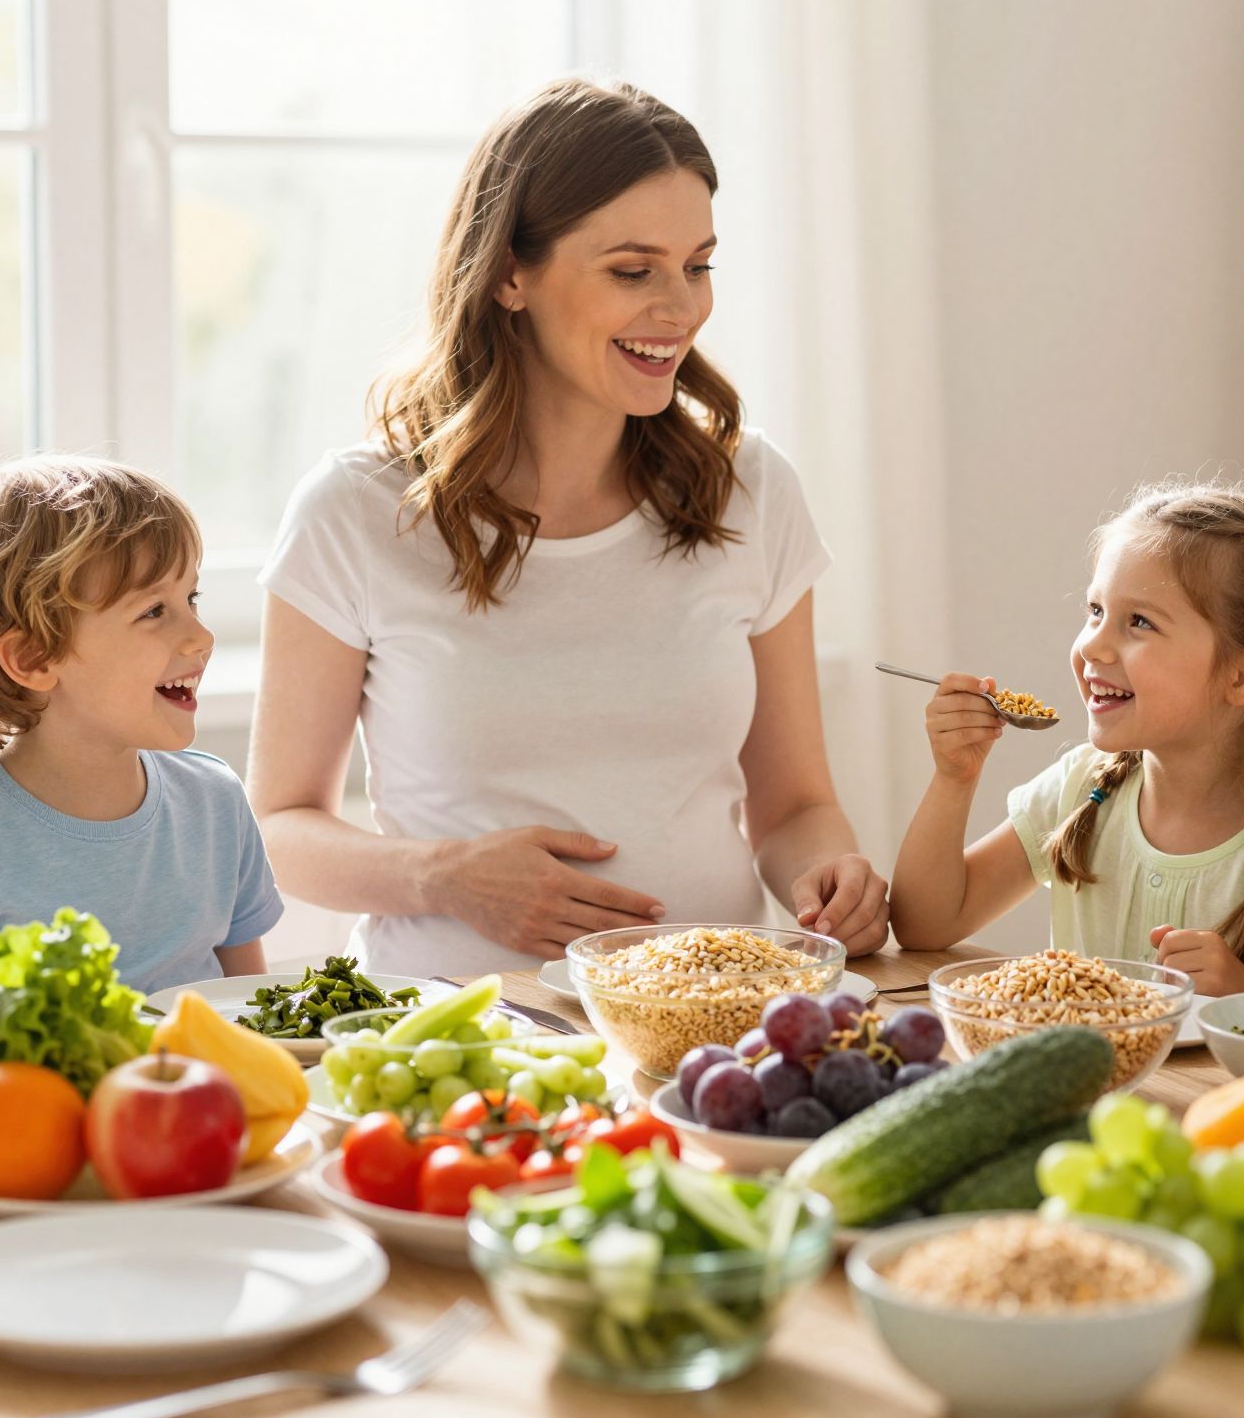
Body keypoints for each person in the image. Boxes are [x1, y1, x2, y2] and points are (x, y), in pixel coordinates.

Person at [249, 78, 888, 976]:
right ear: (511, 272)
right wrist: (445, 877)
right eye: (634, 271)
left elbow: (792, 808)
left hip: (707, 1031)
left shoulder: (750, 490)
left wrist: (829, 874)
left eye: (698, 265)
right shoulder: (357, 512)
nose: (683, 309)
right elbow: (278, 828)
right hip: (459, 1039)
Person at [887, 481, 1244, 994]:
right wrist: (956, 777)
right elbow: (925, 925)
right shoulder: (1082, 786)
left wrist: (1243, 997)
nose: (1093, 647)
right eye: (1095, 611)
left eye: (1139, 622)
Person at [0, 457, 279, 1023]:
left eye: (191, 600)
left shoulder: (216, 803)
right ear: (32, 658)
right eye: (154, 611)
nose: (201, 637)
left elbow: (261, 1023)